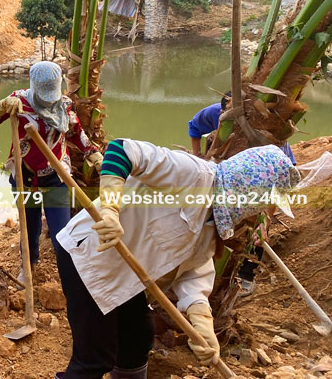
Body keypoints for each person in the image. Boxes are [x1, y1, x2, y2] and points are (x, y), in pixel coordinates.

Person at [53, 140, 300, 379]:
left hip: (125, 272)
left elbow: (194, 273)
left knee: (138, 338)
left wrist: (202, 325)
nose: (261, 208)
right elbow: (121, 150)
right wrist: (109, 210)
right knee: (95, 357)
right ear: (249, 188)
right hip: (88, 256)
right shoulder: (192, 175)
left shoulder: (213, 221)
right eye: (264, 200)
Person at [0, 61, 102, 285]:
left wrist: (92, 152)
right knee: (29, 229)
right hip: (25, 177)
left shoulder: (65, 105)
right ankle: (28, 266)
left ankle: (71, 278)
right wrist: (1, 106)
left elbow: (75, 132)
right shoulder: (18, 101)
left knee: (62, 235)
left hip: (57, 177)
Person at [188, 92, 295, 296]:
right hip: (222, 175)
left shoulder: (272, 146)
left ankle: (246, 274)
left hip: (262, 184)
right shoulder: (217, 115)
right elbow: (193, 126)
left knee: (256, 229)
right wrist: (197, 156)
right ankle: (197, 273)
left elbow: (279, 188)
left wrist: (267, 220)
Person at [188, 92, 296, 163]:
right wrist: (197, 154)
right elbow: (194, 127)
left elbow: (277, 140)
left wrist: (291, 163)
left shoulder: (254, 117)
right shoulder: (213, 113)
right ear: (222, 111)